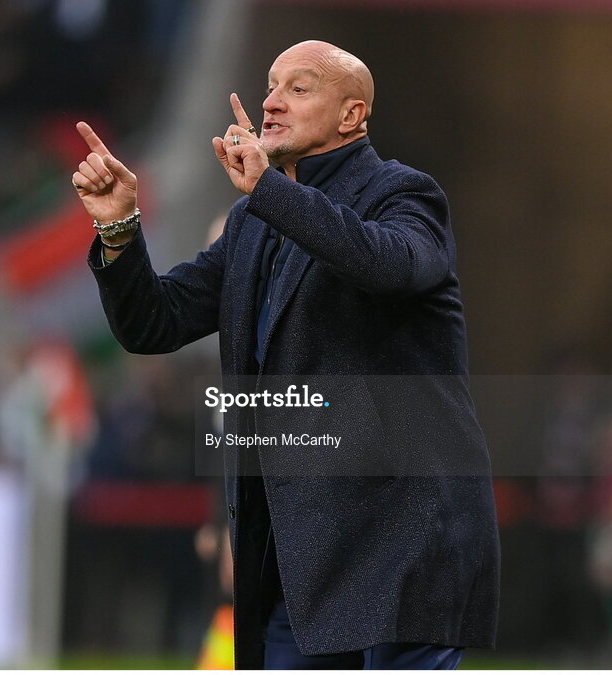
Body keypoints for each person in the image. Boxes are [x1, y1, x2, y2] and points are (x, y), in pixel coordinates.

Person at [72, 40, 500, 670]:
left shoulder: (406, 195)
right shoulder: (254, 222)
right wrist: (119, 228)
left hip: (402, 549)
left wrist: (270, 190)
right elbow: (155, 324)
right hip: (299, 563)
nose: (271, 102)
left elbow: (381, 262)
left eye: (299, 89)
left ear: (352, 115)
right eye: (270, 85)